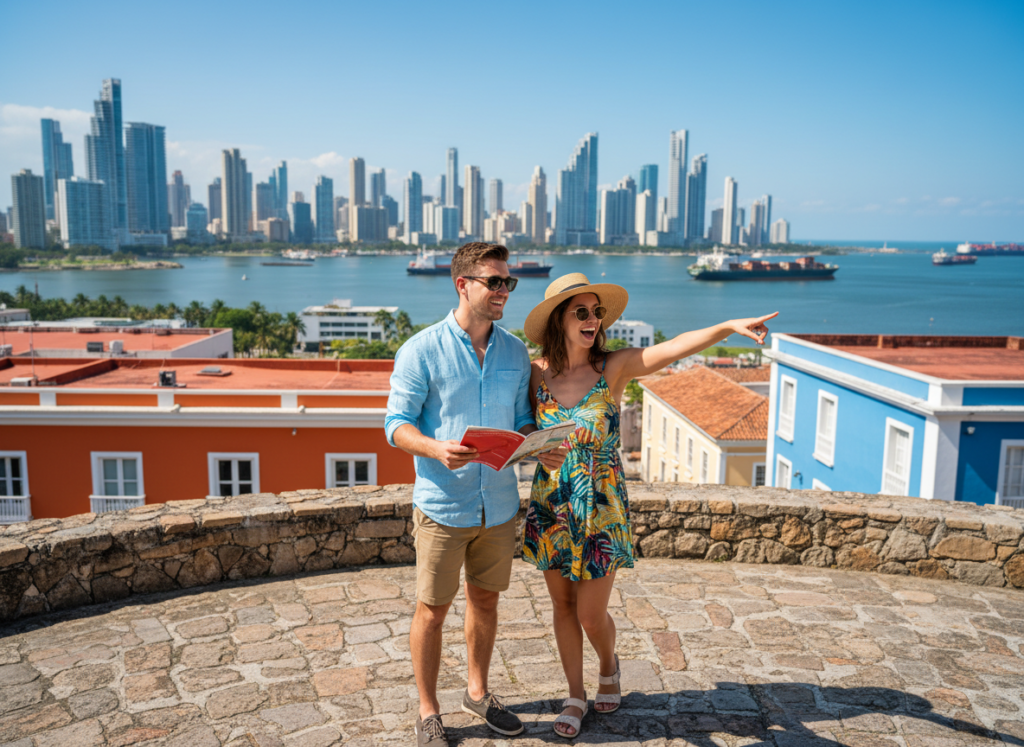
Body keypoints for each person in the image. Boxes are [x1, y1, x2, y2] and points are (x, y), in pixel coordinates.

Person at [521, 272, 776, 738]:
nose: (593, 320)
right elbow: (516, 429)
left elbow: (675, 347)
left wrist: (726, 326)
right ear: (559, 319)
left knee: (589, 614)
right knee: (561, 606)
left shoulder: (612, 369)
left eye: (597, 312)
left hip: (601, 508)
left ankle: (608, 664)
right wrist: (534, 448)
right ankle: (575, 696)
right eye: (582, 312)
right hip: (552, 505)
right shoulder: (534, 373)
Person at [386, 242, 567, 747]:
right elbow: (395, 425)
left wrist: (538, 445)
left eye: (508, 282)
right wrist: (433, 448)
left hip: (499, 505)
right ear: (462, 284)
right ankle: (427, 711)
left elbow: (523, 420)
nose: (504, 291)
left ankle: (478, 691)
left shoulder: (513, 351)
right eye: (495, 282)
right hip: (444, 505)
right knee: (433, 610)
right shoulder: (420, 350)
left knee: (485, 603)